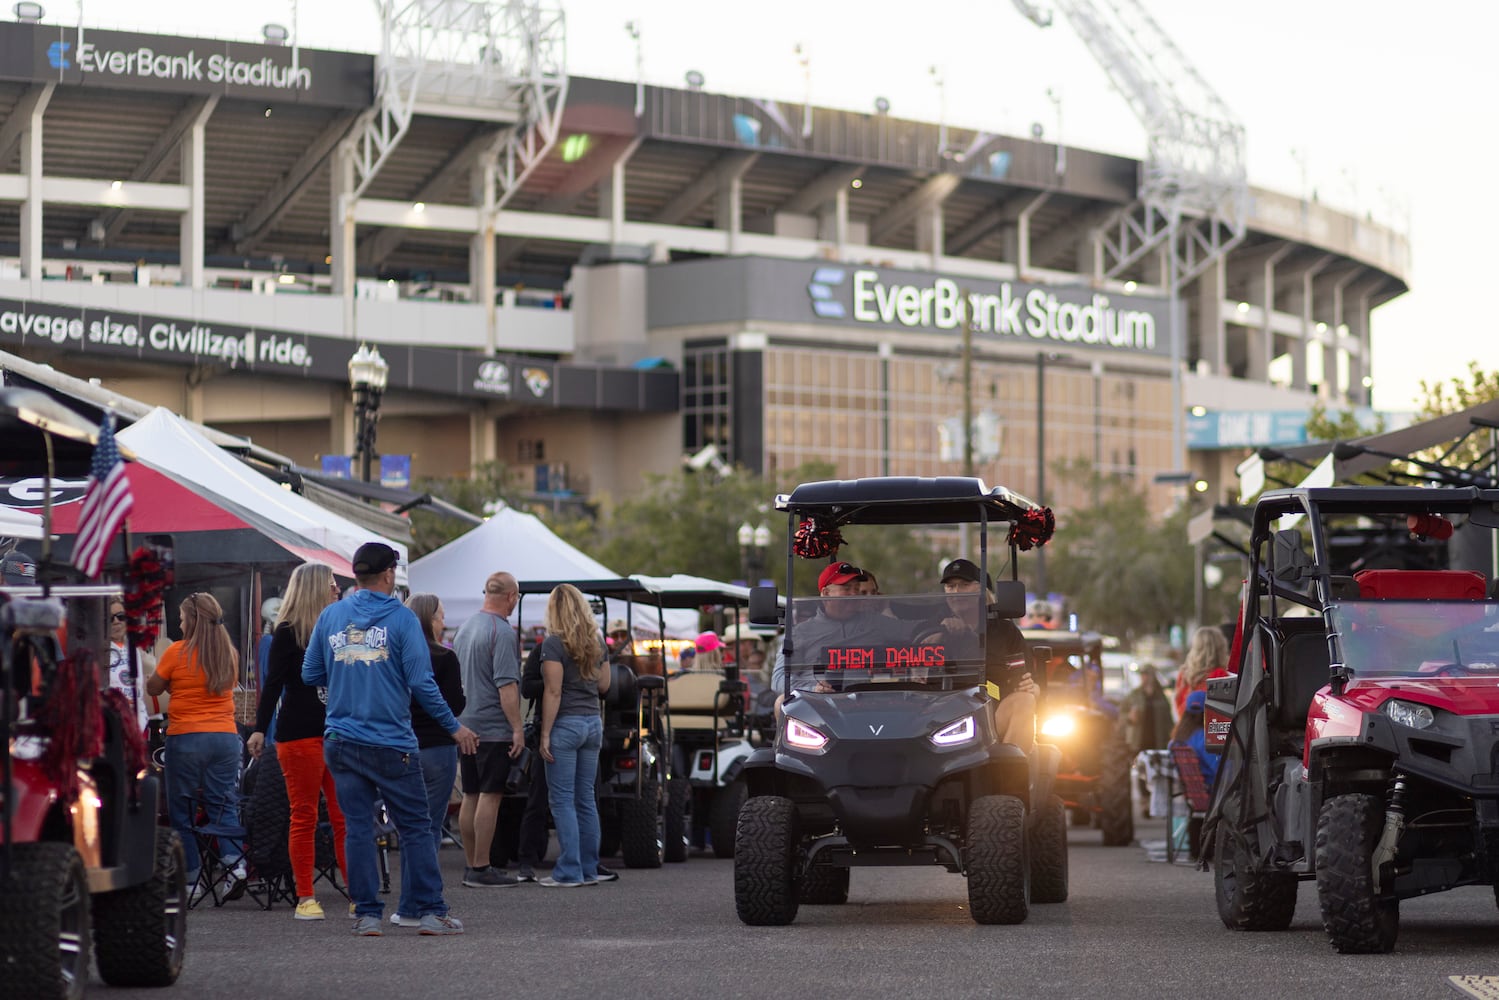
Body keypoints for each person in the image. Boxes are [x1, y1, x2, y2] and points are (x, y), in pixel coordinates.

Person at [302, 542, 480, 937]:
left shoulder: (331, 616)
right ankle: (430, 912)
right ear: (389, 575)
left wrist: (348, 671)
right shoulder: (402, 620)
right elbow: (421, 683)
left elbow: (310, 672)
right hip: (392, 743)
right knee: (416, 827)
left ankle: (367, 915)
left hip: (342, 740)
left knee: (358, 827)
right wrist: (454, 726)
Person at [246, 563, 349, 922]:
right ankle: (305, 896)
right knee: (304, 815)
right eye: (332, 584)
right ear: (316, 587)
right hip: (300, 733)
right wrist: (260, 728)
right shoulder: (288, 631)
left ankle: (358, 893)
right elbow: (272, 683)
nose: (337, 589)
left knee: (345, 816)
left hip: (339, 731)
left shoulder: (341, 627)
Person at [145, 592, 246, 901]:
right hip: (225, 737)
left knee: (183, 809)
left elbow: (153, 687)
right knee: (223, 802)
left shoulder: (176, 652)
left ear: (192, 620)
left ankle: (191, 881)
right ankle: (234, 866)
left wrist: (168, 682)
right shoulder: (228, 652)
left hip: (186, 736)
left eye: (181, 617)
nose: (179, 621)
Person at [390, 593, 467, 922]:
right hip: (437, 747)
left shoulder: (394, 657)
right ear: (426, 619)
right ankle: (420, 905)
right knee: (429, 830)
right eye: (439, 616)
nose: (443, 621)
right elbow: (455, 705)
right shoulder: (444, 659)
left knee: (410, 828)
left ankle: (408, 903)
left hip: (403, 747)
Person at [451, 571, 525, 888]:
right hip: (493, 727)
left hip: (466, 724)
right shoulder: (502, 632)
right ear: (510, 597)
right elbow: (507, 687)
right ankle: (482, 866)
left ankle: (472, 864)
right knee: (490, 796)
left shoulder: (465, 627)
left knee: (470, 794)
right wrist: (518, 728)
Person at [537, 584, 612, 887]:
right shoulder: (597, 642)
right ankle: (590, 868)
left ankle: (569, 871)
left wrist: (544, 734)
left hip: (566, 724)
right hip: (593, 723)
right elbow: (605, 686)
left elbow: (553, 692)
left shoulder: (553, 644)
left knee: (562, 800)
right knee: (585, 800)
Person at [938, 559, 1038, 754]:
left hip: (991, 714)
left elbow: (1026, 681)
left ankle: (1008, 776)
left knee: (1025, 700)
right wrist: (940, 635)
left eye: (964, 585)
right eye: (950, 586)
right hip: (940, 718)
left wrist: (1032, 687)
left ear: (981, 590)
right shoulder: (934, 628)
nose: (956, 592)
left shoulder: (1005, 631)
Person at [106, 597, 151, 736]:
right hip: (111, 727)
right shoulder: (99, 651)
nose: (116, 622)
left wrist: (141, 720)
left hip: (136, 726)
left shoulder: (134, 650)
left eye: (121, 616)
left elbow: (139, 691)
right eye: (110, 618)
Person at [1175, 626, 1229, 718]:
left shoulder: (1184, 674)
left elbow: (1178, 707)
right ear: (1220, 649)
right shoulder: (1219, 675)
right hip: (1206, 729)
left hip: (1185, 728)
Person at [1121, 668, 1174, 754]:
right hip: (1138, 742)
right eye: (1142, 675)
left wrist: (1171, 736)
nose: (1144, 677)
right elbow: (1121, 714)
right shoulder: (1134, 695)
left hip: (1157, 742)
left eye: (1147, 675)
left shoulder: (1161, 697)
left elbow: (1168, 720)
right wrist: (1129, 717)